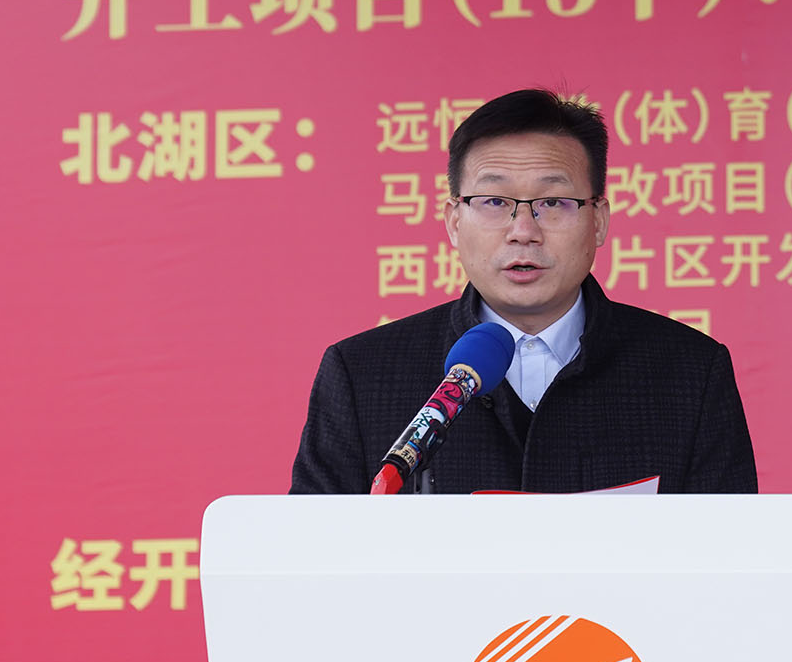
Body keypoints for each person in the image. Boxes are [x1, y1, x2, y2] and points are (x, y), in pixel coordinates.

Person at [290, 88, 757, 494]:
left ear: (598, 221)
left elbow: (732, 555)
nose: (523, 231)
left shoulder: (691, 373)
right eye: (494, 201)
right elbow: (309, 553)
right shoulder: (362, 375)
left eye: (553, 202)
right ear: (454, 222)